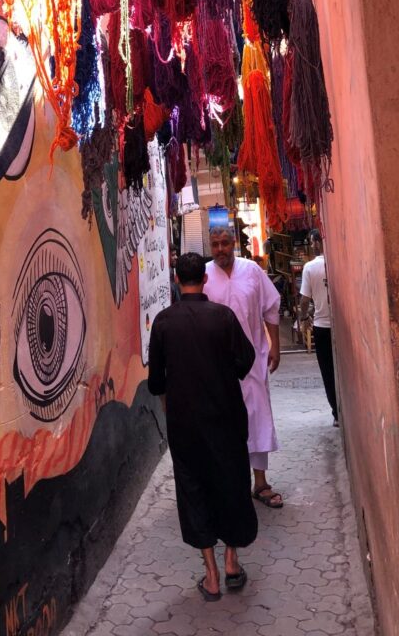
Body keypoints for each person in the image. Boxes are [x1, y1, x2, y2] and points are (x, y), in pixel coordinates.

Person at [148, 252, 258, 601]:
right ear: (205, 279)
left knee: (194, 490)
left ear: (177, 281)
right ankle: (231, 561)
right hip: (225, 417)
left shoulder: (163, 323)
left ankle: (210, 575)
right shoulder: (223, 317)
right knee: (231, 483)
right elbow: (246, 359)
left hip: (186, 423)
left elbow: (155, 382)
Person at [205, 225, 284, 509]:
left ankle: (260, 482)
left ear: (234, 243)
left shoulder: (251, 270)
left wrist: (274, 346)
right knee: (223, 423)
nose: (220, 250)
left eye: (225, 243)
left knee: (257, 418)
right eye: (215, 244)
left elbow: (271, 307)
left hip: (252, 361)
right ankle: (230, 485)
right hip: (217, 367)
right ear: (210, 245)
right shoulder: (204, 276)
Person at [300, 229, 339, 426]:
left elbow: (305, 299)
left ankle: (336, 413)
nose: (311, 245)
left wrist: (302, 317)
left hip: (322, 326)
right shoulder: (338, 262)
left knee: (328, 371)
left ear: (316, 242)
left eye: (311, 241)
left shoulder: (310, 267)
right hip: (340, 325)